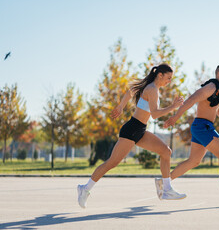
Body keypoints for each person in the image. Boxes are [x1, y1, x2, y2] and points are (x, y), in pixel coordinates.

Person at [77, 63, 187, 208]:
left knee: (166, 151)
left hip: (140, 130)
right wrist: (173, 107)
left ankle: (166, 189)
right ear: (160, 75)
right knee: (111, 163)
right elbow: (154, 114)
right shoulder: (152, 89)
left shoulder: (150, 87)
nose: (169, 81)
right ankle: (84, 189)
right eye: (168, 78)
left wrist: (121, 105)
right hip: (132, 130)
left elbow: (130, 91)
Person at [159, 64, 219, 204]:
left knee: (194, 161)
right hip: (202, 126)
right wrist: (175, 117)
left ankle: (164, 182)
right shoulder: (211, 87)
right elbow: (191, 100)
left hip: (203, 126)